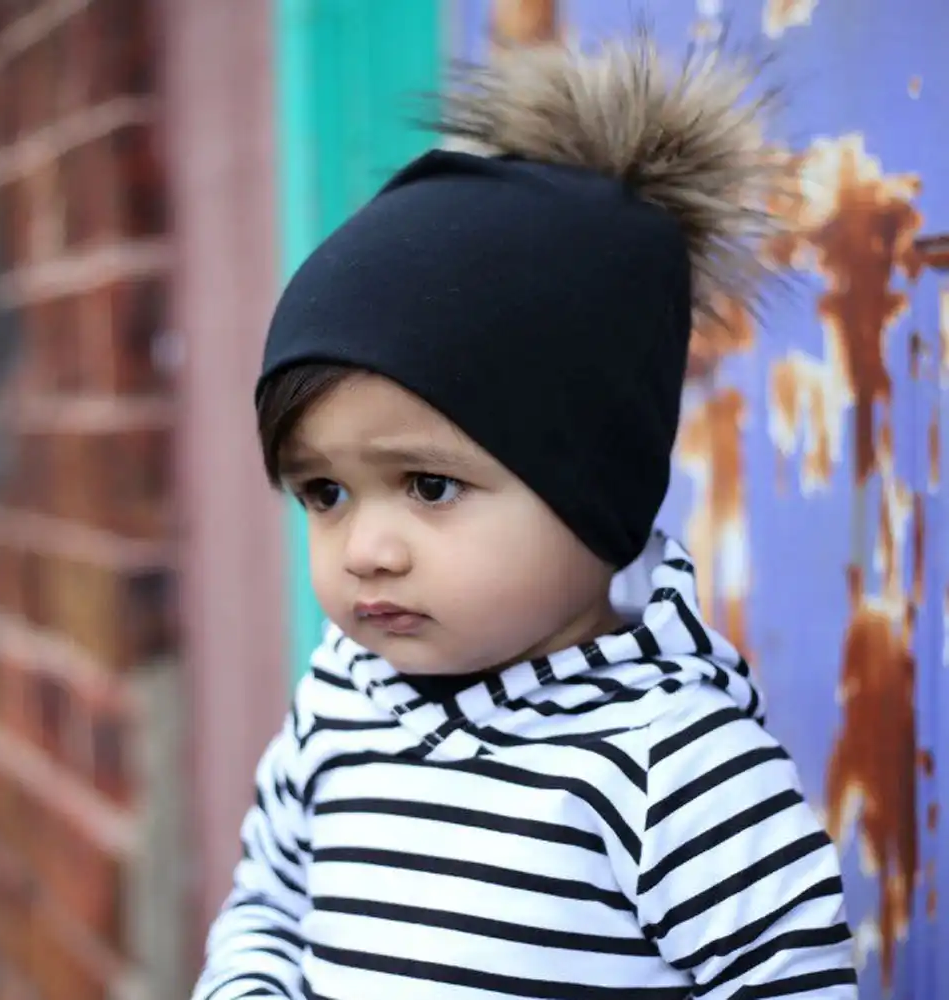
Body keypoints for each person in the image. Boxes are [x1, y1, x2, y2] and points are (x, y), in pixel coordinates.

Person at [193, 30, 858, 1000]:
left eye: (429, 485)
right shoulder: (341, 704)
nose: (365, 550)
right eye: (324, 493)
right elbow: (268, 904)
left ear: (592, 484)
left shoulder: (671, 762)